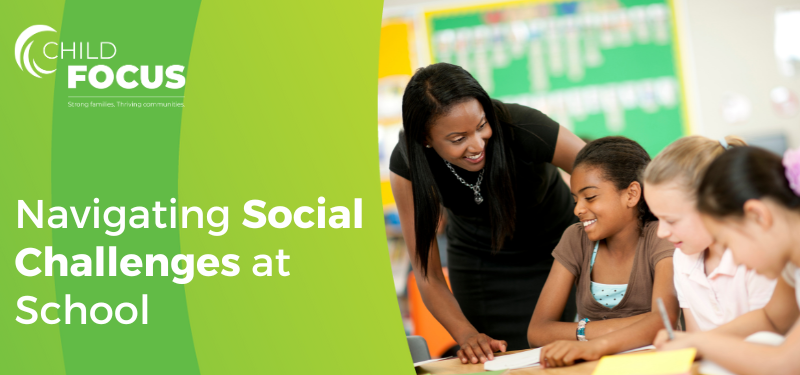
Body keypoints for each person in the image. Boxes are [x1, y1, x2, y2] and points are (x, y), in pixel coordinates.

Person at [389, 63, 585, 364]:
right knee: (494, 359)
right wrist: (466, 335)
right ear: (426, 139)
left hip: (557, 249)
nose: (478, 144)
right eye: (458, 139)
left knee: (554, 356)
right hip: (479, 258)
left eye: (481, 126)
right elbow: (427, 273)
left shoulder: (522, 126)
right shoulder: (408, 165)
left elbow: (604, 174)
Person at [529, 136, 678, 368]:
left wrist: (590, 342)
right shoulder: (575, 238)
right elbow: (538, 331)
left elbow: (663, 321)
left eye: (590, 197)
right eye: (575, 199)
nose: (578, 209)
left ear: (631, 194)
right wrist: (639, 324)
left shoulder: (661, 236)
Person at [655, 146, 800, 375]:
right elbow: (772, 319)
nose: (735, 259)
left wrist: (701, 343)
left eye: (727, 243)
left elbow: (785, 365)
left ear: (757, 216)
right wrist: (694, 341)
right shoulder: (793, 265)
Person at [643, 136, 776, 332]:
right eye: (657, 218)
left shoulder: (757, 257)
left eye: (671, 220)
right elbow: (696, 338)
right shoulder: (682, 259)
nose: (661, 232)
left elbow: (768, 335)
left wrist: (699, 343)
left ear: (714, 205)